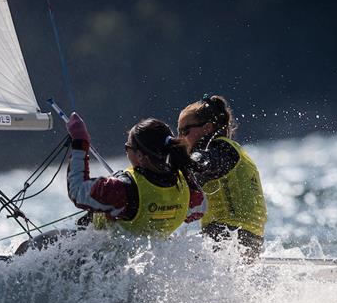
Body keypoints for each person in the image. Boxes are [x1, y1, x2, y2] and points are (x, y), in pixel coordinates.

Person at [65, 113, 205, 237]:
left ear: (139, 155)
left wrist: (80, 143)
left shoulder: (122, 189)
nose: (126, 151)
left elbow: (77, 191)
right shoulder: (185, 183)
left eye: (127, 148)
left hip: (105, 260)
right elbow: (198, 211)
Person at [177, 94, 267, 257]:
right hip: (251, 243)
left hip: (227, 238)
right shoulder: (235, 151)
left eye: (185, 131)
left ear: (207, 128)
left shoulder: (222, 152)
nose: (180, 138)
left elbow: (199, 166)